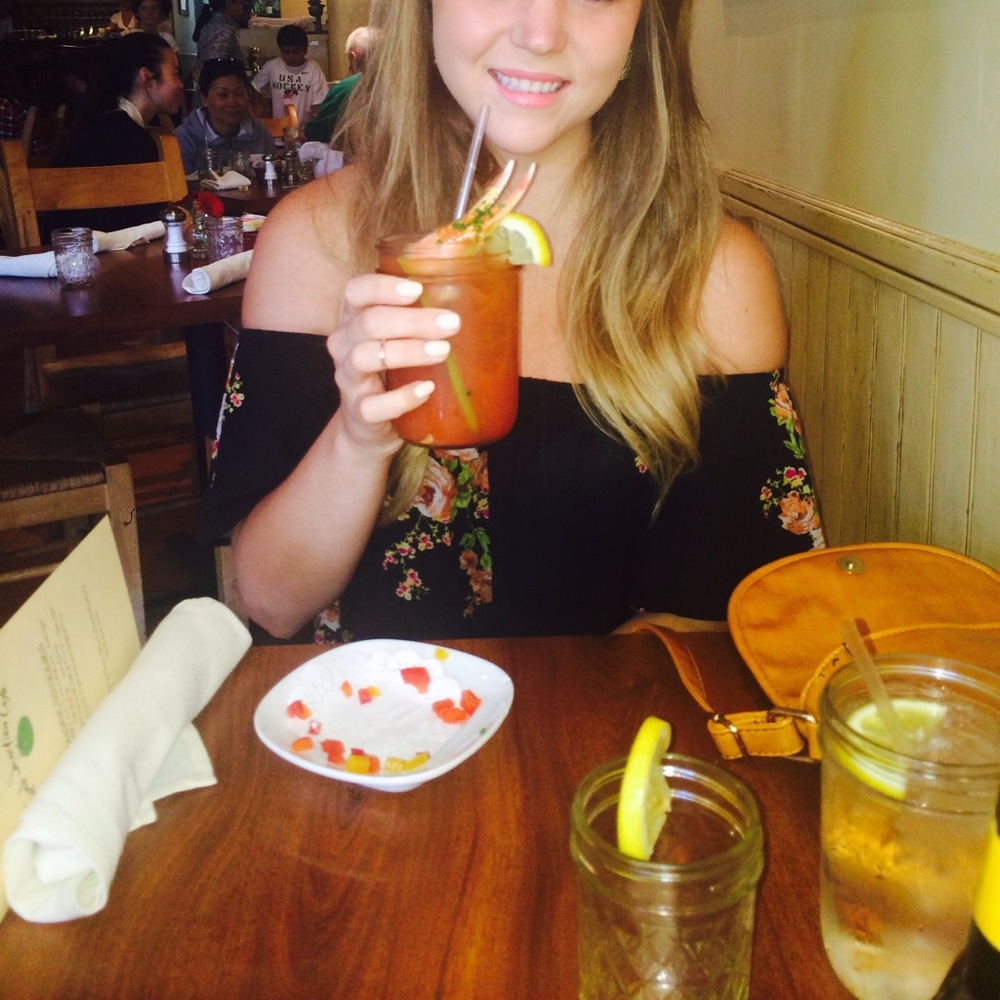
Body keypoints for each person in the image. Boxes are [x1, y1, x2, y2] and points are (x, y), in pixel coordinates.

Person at [201, 0, 825, 643]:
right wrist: (358, 440)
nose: (540, 33)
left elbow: (736, 614)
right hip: (377, 708)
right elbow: (273, 602)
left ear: (644, 22)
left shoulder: (716, 275)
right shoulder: (313, 243)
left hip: (614, 712)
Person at [45, 33, 184, 237]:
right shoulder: (130, 138)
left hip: (64, 248)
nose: (181, 84)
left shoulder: (97, 121)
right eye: (175, 74)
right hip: (103, 251)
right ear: (146, 77)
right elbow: (148, 224)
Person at [174, 57, 273, 174]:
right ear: (204, 99)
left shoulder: (259, 133)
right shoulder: (185, 139)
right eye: (222, 95)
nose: (232, 102)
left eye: (239, 93)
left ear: (248, 95)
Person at [303, 24, 372, 145]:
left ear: (353, 58)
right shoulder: (397, 82)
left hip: (356, 153)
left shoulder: (348, 87)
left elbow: (314, 132)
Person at [250, 24, 327, 124]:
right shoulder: (272, 66)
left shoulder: (313, 69)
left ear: (305, 50)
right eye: (286, 52)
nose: (291, 57)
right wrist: (258, 105)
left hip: (304, 128)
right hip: (279, 126)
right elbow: (256, 86)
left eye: (296, 52)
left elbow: (318, 103)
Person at [192, 0, 250, 105]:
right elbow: (215, 68)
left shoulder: (211, 22)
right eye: (243, 4)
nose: (244, 10)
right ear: (229, 3)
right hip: (219, 96)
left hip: (210, 92)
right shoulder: (224, 29)